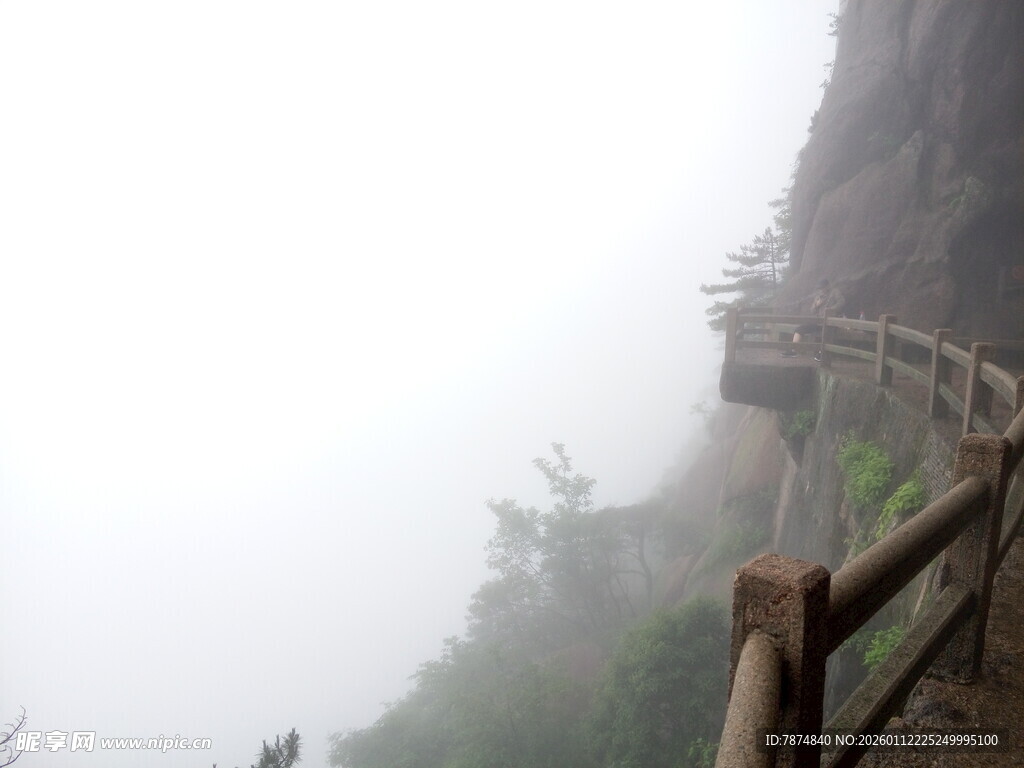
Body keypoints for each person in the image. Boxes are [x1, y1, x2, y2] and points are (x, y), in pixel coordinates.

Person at [781, 279, 846, 360]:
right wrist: (816, 305)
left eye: (823, 288)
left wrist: (830, 309)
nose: (821, 290)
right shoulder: (818, 296)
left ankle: (822, 353)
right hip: (818, 321)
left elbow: (842, 302)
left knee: (826, 332)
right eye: (820, 288)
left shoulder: (835, 292)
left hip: (830, 321)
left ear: (827, 286)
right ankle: (793, 350)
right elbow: (812, 311)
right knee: (800, 329)